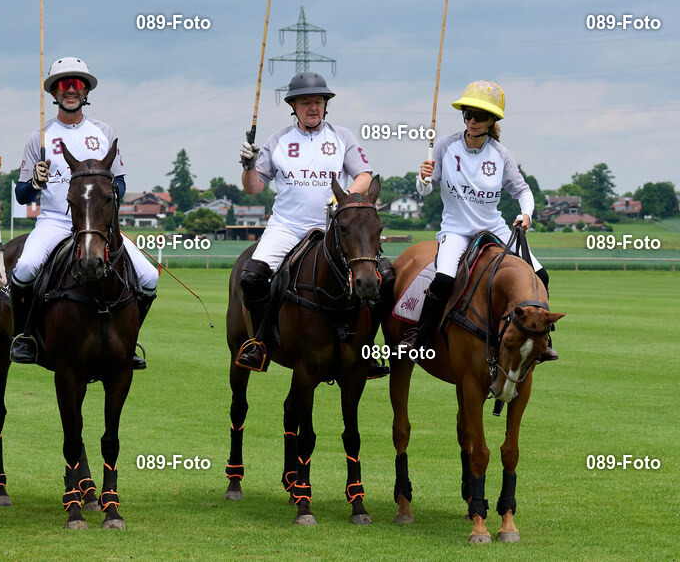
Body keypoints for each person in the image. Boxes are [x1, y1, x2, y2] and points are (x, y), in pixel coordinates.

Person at [234, 72, 387, 374]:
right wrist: (249, 166)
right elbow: (253, 187)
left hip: (335, 230)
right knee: (251, 277)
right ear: (293, 106)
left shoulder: (342, 137)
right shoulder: (277, 141)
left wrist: (342, 201)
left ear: (326, 105)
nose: (313, 107)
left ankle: (366, 350)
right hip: (287, 227)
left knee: (384, 277)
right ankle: (261, 342)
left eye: (318, 101)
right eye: (306, 102)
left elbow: (364, 176)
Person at [9, 57, 158, 366]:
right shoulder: (39, 138)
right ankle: (24, 336)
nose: (71, 90)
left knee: (149, 277)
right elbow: (22, 195)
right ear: (54, 93)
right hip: (55, 222)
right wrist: (36, 182)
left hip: (98, 226)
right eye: (64, 84)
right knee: (24, 269)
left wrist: (101, 191)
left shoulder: (104, 132)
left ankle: (129, 341)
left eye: (77, 84)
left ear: (86, 90)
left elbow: (119, 184)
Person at [399, 80, 557, 361]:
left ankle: (542, 336)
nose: (471, 121)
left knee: (541, 276)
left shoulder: (500, 154)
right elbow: (424, 190)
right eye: (467, 114)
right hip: (456, 231)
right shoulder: (446, 147)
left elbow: (522, 190)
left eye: (479, 116)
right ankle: (418, 334)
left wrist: (526, 214)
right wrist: (422, 177)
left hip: (494, 228)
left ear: (491, 120)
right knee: (444, 280)